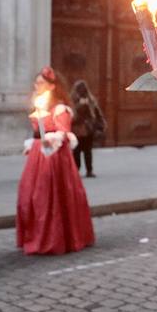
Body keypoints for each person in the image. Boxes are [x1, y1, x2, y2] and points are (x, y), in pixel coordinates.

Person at [17, 67, 95, 256]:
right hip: (38, 156)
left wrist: (51, 139)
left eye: (40, 83)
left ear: (52, 86)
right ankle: (35, 235)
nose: (36, 86)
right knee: (30, 197)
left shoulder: (60, 109)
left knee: (49, 198)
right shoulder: (39, 108)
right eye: (36, 83)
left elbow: (65, 134)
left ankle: (56, 238)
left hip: (55, 159)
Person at [69, 79, 105, 178]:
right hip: (76, 130)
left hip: (88, 129)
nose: (82, 91)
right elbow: (72, 116)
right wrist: (80, 105)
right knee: (76, 151)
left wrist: (100, 126)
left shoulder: (91, 100)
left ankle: (89, 170)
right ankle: (76, 170)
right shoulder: (72, 101)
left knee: (87, 151)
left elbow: (97, 114)